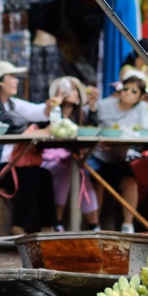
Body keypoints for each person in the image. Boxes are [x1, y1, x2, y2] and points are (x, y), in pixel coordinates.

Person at [86, 74, 148, 232]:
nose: (128, 93)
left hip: (119, 158)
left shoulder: (141, 109)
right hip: (98, 156)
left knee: (130, 184)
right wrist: (92, 107)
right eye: (125, 89)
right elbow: (89, 124)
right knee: (96, 184)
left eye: (134, 91)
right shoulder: (104, 105)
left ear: (140, 97)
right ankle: (94, 227)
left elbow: (147, 131)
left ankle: (128, 226)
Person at [0, 61, 56, 234]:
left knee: (44, 174)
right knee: (31, 178)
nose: (16, 81)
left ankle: (48, 227)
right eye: (12, 77)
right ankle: (19, 226)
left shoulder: (13, 104)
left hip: (15, 165)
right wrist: (40, 132)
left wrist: (51, 105)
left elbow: (38, 112)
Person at [41, 76, 101, 230]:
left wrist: (92, 106)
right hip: (49, 158)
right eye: (66, 88)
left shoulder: (81, 115)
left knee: (81, 175)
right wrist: (57, 102)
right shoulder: (49, 111)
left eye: (73, 90)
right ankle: (57, 222)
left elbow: (92, 131)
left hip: (73, 160)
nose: (69, 92)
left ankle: (93, 224)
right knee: (67, 172)